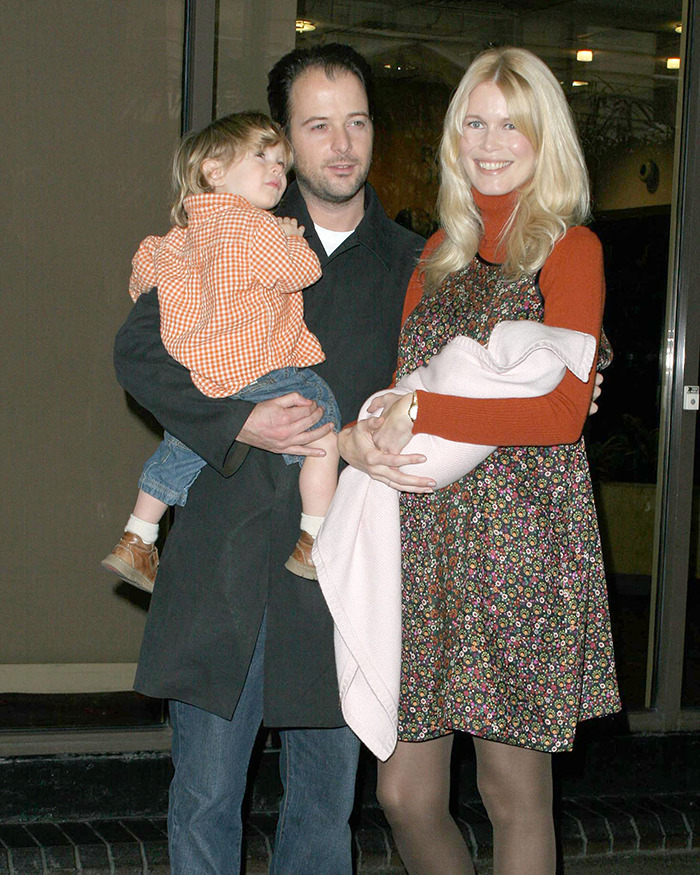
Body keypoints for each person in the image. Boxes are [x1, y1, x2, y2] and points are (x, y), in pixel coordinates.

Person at [112, 44, 424, 874]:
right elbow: (140, 354)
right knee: (206, 797)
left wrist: (581, 354)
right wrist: (237, 420)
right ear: (281, 140)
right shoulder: (215, 235)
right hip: (222, 553)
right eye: (317, 125)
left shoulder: (415, 264)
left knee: (324, 808)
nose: (341, 144)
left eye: (356, 121)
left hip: (335, 566)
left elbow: (477, 360)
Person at [338, 46, 621, 874]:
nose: (491, 142)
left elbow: (564, 413)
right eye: (475, 122)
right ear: (454, 137)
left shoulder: (569, 249)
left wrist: (426, 406)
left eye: (513, 125)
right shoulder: (437, 255)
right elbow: (401, 391)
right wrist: (375, 434)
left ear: (546, 140)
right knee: (404, 794)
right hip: (425, 543)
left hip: (522, 546)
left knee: (512, 791)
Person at [102, 112, 339, 591]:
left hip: (205, 377)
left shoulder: (178, 239)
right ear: (213, 170)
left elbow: (142, 280)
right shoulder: (260, 228)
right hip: (266, 370)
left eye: (282, 163)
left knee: (183, 442)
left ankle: (138, 536)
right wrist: (295, 241)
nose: (278, 171)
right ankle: (315, 539)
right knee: (325, 430)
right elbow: (301, 272)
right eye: (262, 157)